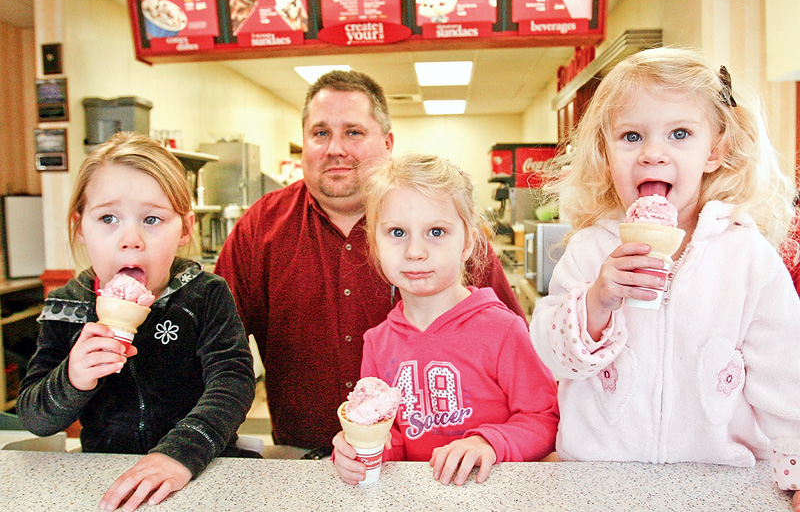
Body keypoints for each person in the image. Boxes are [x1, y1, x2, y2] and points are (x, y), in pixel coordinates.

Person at [528, 47, 800, 510]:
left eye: (679, 134)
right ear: (605, 152)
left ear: (715, 150)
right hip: (598, 481)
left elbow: (784, 376)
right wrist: (595, 302)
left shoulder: (747, 256)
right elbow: (553, 359)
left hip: (718, 482)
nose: (653, 154)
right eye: (631, 136)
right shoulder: (590, 249)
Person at [215, 70, 525, 456]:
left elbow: (517, 351)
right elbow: (217, 349)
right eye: (320, 133)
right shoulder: (261, 227)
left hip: (442, 464)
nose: (335, 149)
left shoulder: (439, 224)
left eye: (353, 132)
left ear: (388, 142)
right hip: (302, 459)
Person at [18, 132, 257, 512]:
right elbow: (34, 415)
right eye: (108, 218)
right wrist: (74, 377)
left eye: (152, 219)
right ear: (81, 226)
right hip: (106, 476)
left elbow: (233, 381)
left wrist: (179, 455)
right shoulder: (68, 304)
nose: (131, 239)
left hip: (200, 469)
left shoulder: (206, 294)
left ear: (184, 228)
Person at [332, 153, 559, 486]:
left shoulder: (502, 330)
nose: (415, 251)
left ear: (467, 242)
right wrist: (361, 450)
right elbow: (392, 438)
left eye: (436, 231)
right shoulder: (377, 343)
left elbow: (544, 420)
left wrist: (489, 442)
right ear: (375, 246)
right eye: (397, 232)